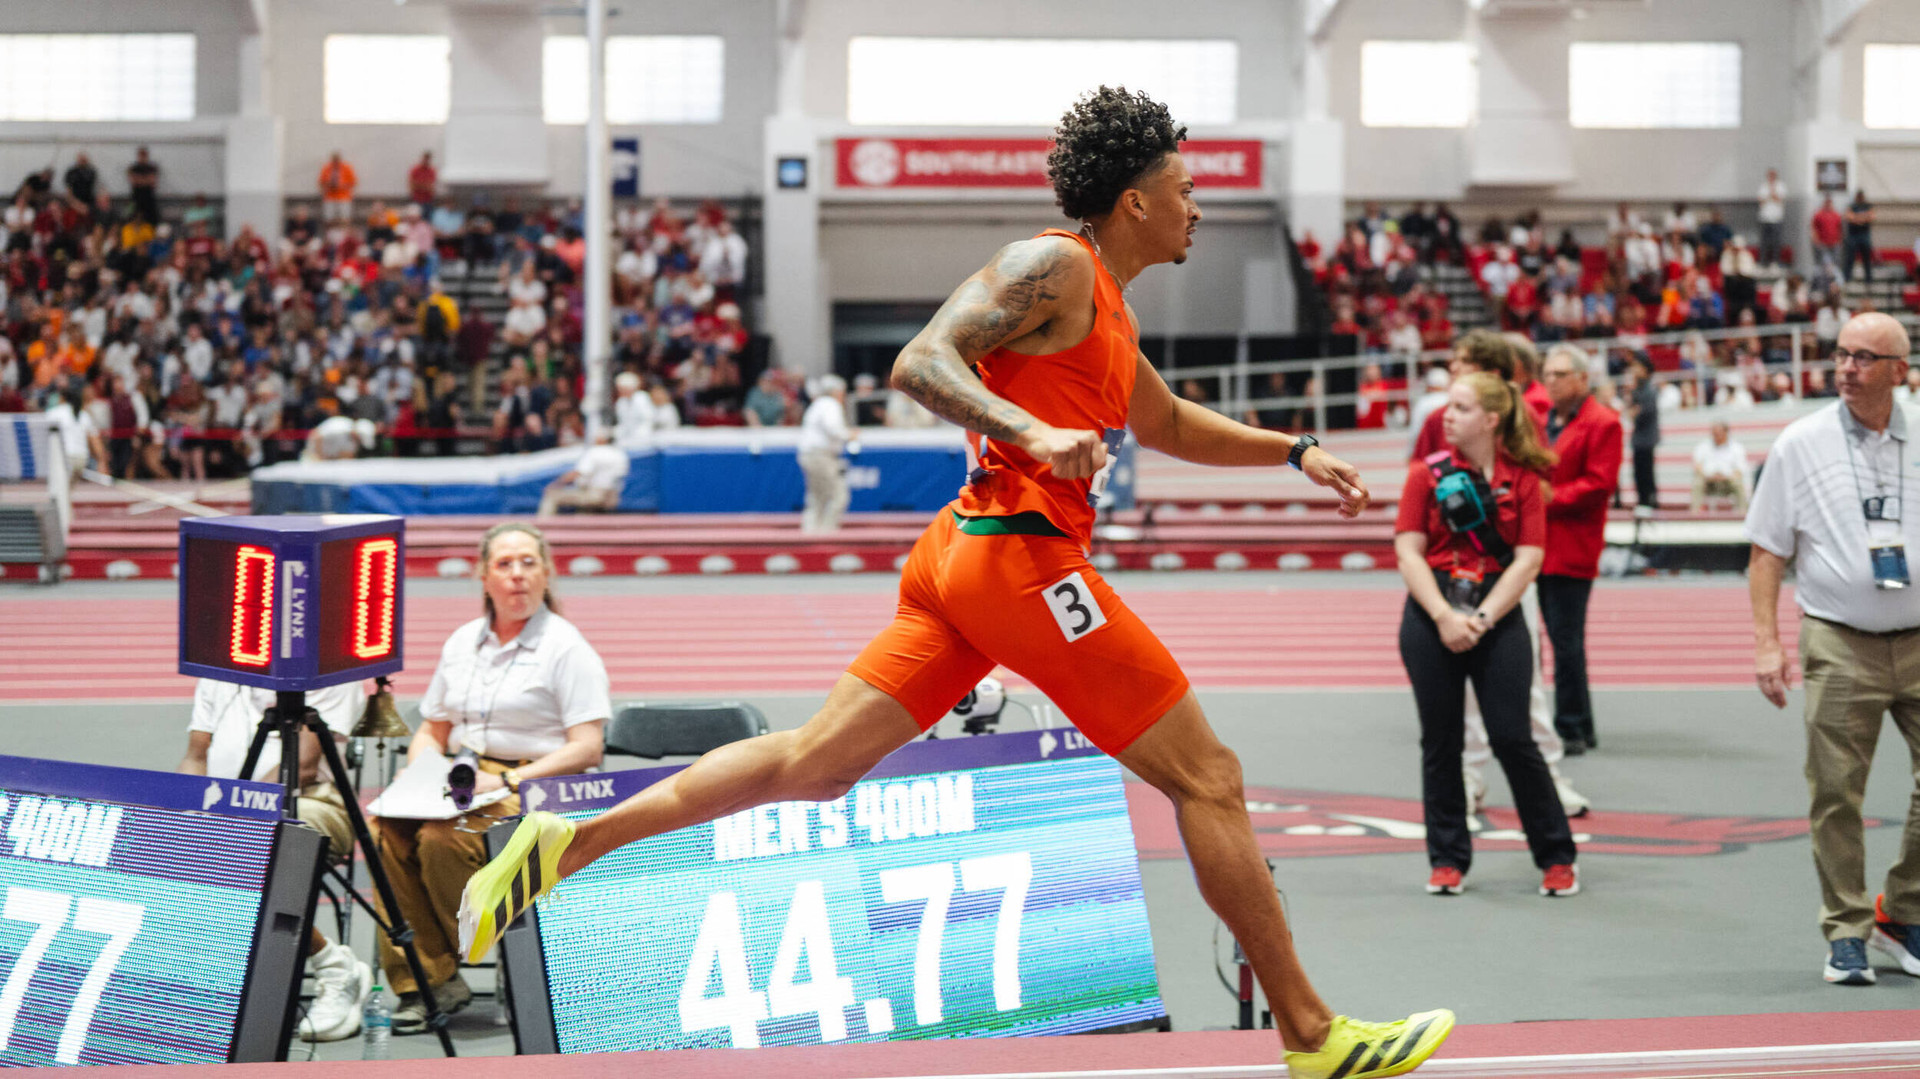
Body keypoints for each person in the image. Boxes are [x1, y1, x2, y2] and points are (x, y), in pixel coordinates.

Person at [458, 86, 1453, 1079]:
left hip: (965, 564)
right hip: (1020, 561)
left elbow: (1168, 425)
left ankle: (567, 840)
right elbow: (919, 358)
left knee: (813, 763)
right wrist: (1031, 430)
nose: (1199, 208)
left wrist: (1298, 448)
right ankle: (1316, 1033)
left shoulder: (1112, 310)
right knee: (1211, 777)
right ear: (1136, 201)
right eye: (1186, 190)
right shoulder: (1055, 263)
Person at [369, 523, 609, 1033]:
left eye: (528, 563)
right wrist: (420, 772)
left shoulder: (566, 647)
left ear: (547, 574)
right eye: (504, 564)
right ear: (483, 577)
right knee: (383, 831)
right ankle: (425, 982)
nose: (517, 575)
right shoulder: (462, 643)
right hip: (462, 776)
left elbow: (588, 747)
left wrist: (509, 781)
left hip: (539, 785)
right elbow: (432, 730)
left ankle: (474, 949)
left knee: (443, 840)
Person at [1747, 312, 1920, 987]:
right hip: (1839, 638)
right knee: (1836, 790)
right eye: (1841, 354)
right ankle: (1846, 927)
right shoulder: (1801, 442)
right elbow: (1766, 554)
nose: (1847, 367)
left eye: (1865, 357)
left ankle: (1903, 911)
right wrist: (1767, 644)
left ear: (1900, 372)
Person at [1396, 371, 1579, 899]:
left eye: (1460, 408)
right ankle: (1448, 859)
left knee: (1512, 737)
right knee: (1441, 740)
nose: (1446, 416)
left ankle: (1556, 855)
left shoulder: (1523, 480)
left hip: (1496, 617)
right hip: (1432, 615)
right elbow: (1408, 551)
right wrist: (1444, 617)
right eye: (1448, 407)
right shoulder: (1423, 475)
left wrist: (1480, 620)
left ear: (1491, 419)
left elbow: (1530, 558)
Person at [176, 678, 372, 1041]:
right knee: (175, 840)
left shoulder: (324, 669)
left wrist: (239, 809)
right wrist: (184, 809)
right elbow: (195, 756)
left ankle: (336, 968)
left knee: (245, 843)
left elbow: (303, 766)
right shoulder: (217, 675)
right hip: (223, 807)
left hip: (313, 802)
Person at [1537, 345, 1623, 755]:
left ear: (1581, 379)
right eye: (1547, 374)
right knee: (1559, 639)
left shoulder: (1603, 423)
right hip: (1540, 543)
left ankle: (1571, 727)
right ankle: (1579, 724)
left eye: (1558, 374)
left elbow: (1600, 483)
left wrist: (1549, 496)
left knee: (1565, 641)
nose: (1550, 381)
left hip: (1572, 545)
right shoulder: (1544, 420)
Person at [1410, 330, 1515, 460]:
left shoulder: (1519, 416)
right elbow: (1419, 473)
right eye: (1455, 359)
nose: (1453, 368)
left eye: (1465, 361)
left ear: (1492, 374)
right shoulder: (1438, 419)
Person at [798, 374, 852, 534]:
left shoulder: (818, 404)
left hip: (811, 455)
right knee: (838, 496)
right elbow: (833, 429)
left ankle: (810, 533)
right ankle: (828, 534)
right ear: (836, 391)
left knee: (817, 498)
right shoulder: (830, 404)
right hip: (820, 456)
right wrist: (849, 435)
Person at [537, 427, 628, 518]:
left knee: (552, 496)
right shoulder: (620, 454)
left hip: (594, 494)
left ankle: (542, 526)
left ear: (602, 439)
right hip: (612, 498)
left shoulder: (595, 451)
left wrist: (555, 484)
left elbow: (579, 473)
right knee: (584, 512)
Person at [1623, 357, 1660, 509]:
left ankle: (1648, 502)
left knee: (1645, 473)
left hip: (1646, 438)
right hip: (1640, 437)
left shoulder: (1648, 390)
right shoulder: (1639, 389)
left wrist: (1634, 411)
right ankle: (1644, 501)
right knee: (1640, 473)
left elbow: (1643, 412)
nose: (1634, 371)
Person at [1691, 421, 1750, 512]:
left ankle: (1743, 513)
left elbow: (1740, 469)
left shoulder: (1737, 448)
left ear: (1726, 432)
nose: (1717, 436)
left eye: (1719, 433)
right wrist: (1709, 476)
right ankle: (1694, 514)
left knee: (1738, 483)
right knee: (1697, 481)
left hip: (1728, 481)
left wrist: (1725, 477)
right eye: (1714, 434)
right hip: (1708, 481)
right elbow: (1697, 467)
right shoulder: (1703, 447)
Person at [1843, 189, 1876, 283]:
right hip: (1853, 235)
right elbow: (1848, 217)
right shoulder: (1852, 206)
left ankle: (1868, 278)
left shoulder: (1868, 206)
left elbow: (1872, 217)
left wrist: (1856, 217)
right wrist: (1863, 218)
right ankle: (1847, 277)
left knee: (1866, 258)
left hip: (1864, 235)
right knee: (1850, 257)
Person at [318, 152, 358, 225]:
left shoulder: (346, 168)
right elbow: (321, 182)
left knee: (345, 217)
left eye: (337, 160)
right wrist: (328, 185)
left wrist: (342, 185)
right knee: (328, 218)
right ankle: (329, 235)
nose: (335, 162)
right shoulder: (327, 168)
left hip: (344, 197)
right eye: (334, 160)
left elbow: (353, 182)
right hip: (329, 197)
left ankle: (344, 235)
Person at [1757, 168, 1786, 267]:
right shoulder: (1763, 186)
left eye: (1773, 175)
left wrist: (1771, 192)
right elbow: (1761, 200)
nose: (1771, 177)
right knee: (1764, 242)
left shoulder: (1780, 186)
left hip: (1776, 218)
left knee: (1776, 241)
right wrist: (1770, 195)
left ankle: (1775, 262)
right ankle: (1763, 262)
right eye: (1770, 175)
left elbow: (1778, 199)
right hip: (1765, 217)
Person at [126, 147, 159, 226]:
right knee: (131, 217)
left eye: (144, 155)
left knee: (152, 220)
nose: (142, 158)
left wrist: (139, 179)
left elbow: (153, 182)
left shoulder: (152, 168)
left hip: (149, 199)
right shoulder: (133, 168)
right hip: (136, 198)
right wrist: (146, 180)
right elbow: (133, 181)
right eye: (141, 155)